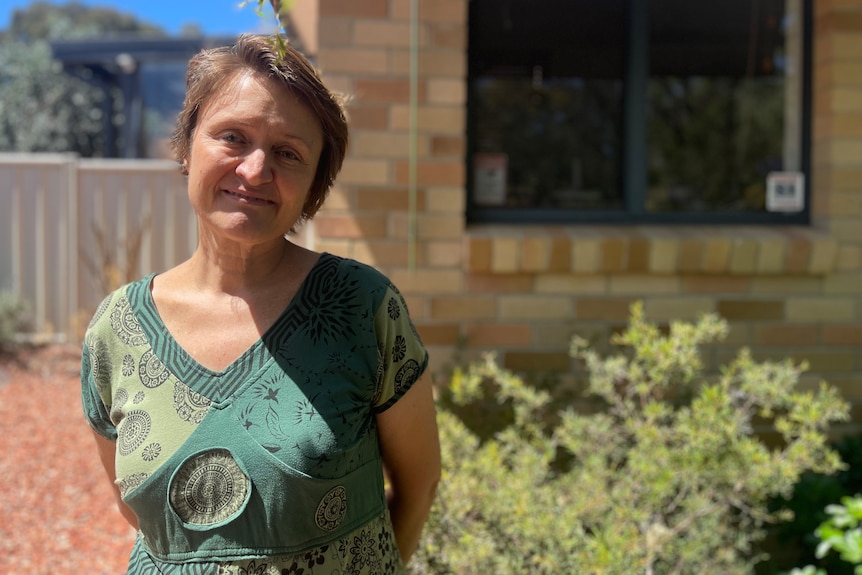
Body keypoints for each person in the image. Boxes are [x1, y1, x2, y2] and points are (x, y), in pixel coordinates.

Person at [81, 34, 441, 575]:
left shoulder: (363, 308)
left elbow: (418, 483)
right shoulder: (118, 329)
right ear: (186, 145)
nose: (254, 170)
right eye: (233, 137)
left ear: (314, 185)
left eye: (288, 153)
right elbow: (141, 514)